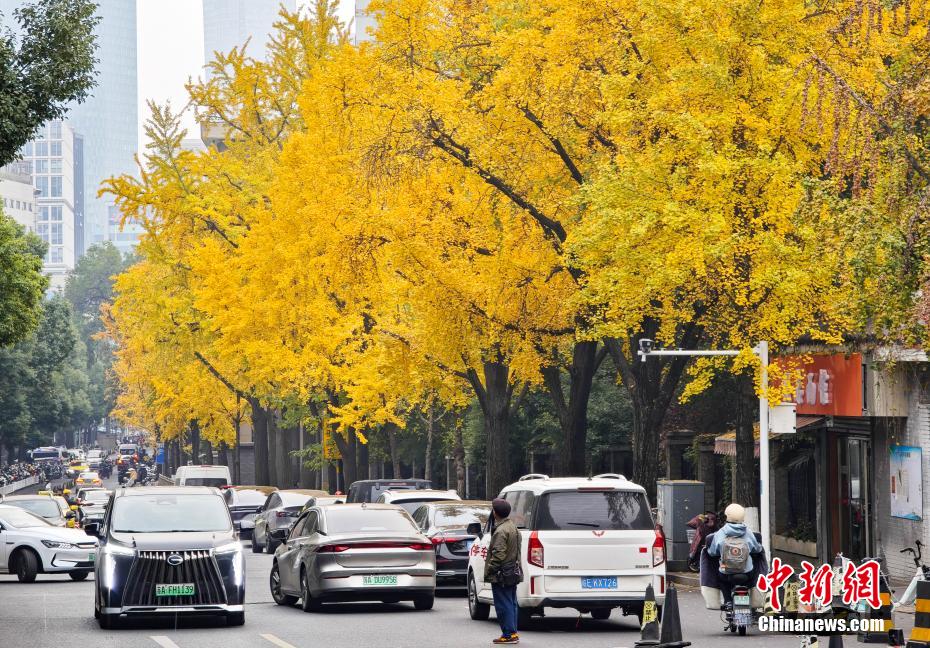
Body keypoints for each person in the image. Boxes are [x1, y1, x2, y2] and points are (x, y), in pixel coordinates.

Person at [706, 503, 763, 609]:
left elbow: (713, 552)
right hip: (746, 572)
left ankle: (727, 601)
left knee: (721, 578)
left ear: (727, 516)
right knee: (751, 575)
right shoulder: (748, 532)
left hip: (726, 571)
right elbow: (757, 549)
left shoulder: (721, 533)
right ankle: (748, 600)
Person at [484, 498, 522, 644]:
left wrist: (490, 570)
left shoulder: (500, 531)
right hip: (512, 572)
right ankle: (513, 633)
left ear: (495, 513)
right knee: (511, 603)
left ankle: (508, 634)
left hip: (501, 574)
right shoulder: (513, 527)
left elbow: (498, 554)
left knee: (503, 604)